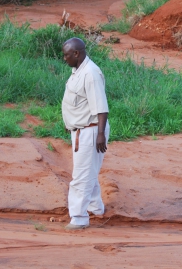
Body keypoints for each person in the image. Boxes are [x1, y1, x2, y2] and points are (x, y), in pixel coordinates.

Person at [61, 37, 109, 230]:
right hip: (82, 130)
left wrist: (100, 134)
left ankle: (79, 218)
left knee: (81, 176)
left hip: (91, 132)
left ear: (76, 54)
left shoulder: (90, 73)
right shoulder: (78, 70)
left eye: (66, 55)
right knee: (89, 171)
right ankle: (96, 208)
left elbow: (101, 107)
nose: (64, 58)